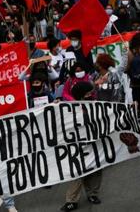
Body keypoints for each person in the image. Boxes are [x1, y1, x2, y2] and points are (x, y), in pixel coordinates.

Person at [61, 82, 103, 211]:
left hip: (95, 142)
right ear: (81, 95)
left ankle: (92, 194)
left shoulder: (96, 105)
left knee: (95, 169)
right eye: (88, 94)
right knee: (78, 171)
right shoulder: (70, 108)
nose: (91, 95)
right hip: (78, 144)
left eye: (91, 93)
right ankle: (71, 200)